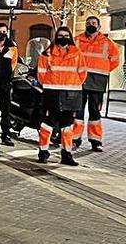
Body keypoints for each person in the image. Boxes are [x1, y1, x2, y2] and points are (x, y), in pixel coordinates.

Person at [36, 27, 86, 166]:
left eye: (66, 35)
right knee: (47, 124)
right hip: (52, 93)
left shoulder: (78, 54)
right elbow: (41, 74)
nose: (63, 37)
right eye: (60, 35)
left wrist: (72, 84)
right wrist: (50, 83)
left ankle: (66, 154)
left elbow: (82, 73)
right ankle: (43, 151)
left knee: (67, 126)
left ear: (70, 37)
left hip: (71, 94)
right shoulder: (47, 54)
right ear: (56, 37)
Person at [73, 16, 120, 151]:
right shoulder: (77, 40)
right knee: (77, 112)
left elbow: (115, 60)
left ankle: (95, 141)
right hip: (79, 81)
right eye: (88, 23)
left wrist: (103, 70)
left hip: (98, 82)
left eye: (93, 23)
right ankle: (75, 139)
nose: (90, 25)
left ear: (99, 27)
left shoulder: (107, 43)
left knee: (95, 112)